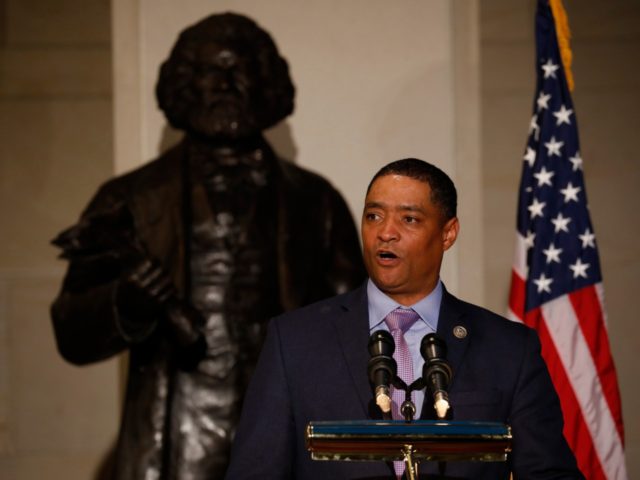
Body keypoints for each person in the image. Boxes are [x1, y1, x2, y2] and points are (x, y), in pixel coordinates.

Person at [50, 12, 365, 480]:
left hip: (288, 436)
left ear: (266, 84)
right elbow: (71, 333)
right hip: (175, 441)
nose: (224, 83)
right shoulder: (130, 200)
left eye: (239, 70)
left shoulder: (314, 202)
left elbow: (359, 327)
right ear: (183, 84)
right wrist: (127, 306)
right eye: (208, 71)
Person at [225, 158, 585, 479]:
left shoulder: (509, 349)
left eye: (408, 219)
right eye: (374, 216)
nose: (386, 232)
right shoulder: (295, 341)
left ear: (448, 233)